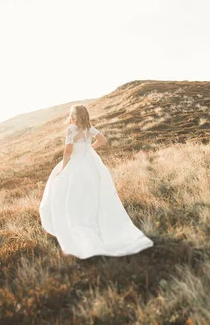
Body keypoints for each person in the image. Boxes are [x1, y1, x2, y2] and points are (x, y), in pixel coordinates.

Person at [39, 105, 153, 259]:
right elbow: (103, 140)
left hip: (76, 165)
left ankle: (76, 225)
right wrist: (89, 149)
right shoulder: (89, 128)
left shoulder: (71, 129)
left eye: (73, 114)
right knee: (90, 195)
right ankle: (93, 223)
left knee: (68, 194)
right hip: (90, 165)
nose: (71, 116)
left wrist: (63, 169)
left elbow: (67, 151)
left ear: (76, 116)